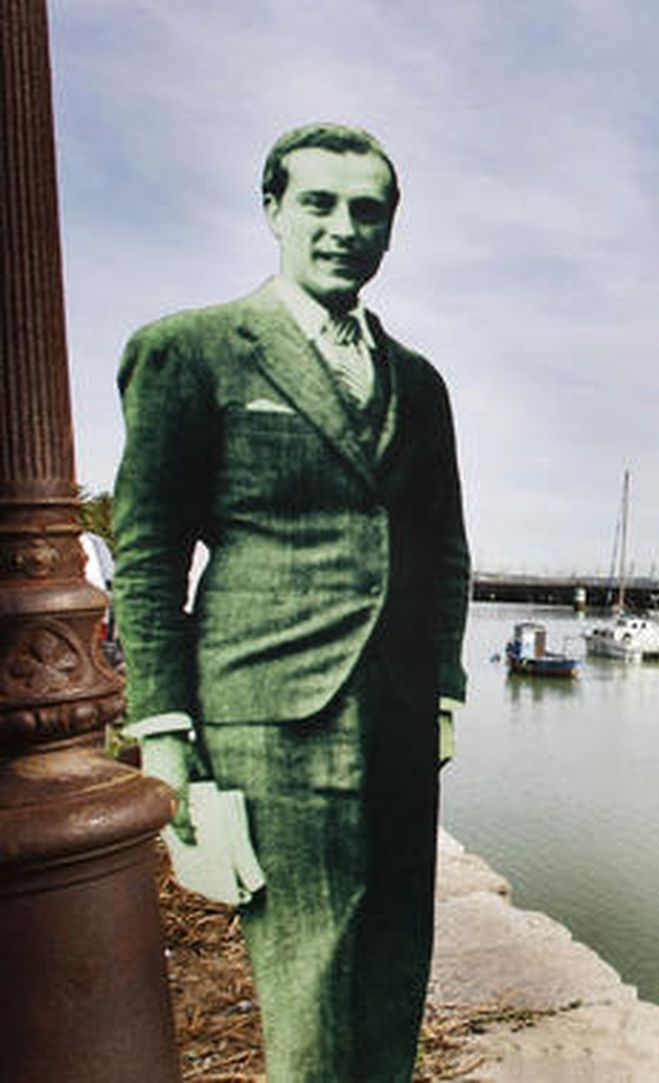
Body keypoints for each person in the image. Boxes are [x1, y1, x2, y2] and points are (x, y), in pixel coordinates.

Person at [113, 122, 470, 1082]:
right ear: (273, 210)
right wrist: (164, 731)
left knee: (394, 970)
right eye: (318, 203)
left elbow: (443, 548)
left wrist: (442, 691)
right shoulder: (190, 352)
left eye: (368, 210)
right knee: (309, 983)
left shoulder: (421, 384)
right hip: (268, 715)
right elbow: (148, 555)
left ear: (390, 230)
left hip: (397, 720)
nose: (343, 227)